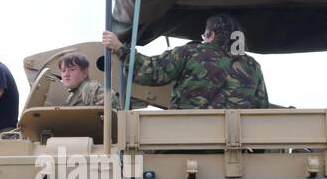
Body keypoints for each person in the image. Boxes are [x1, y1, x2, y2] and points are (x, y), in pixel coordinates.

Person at [101, 13, 269, 109]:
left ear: (211, 35)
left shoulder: (189, 53)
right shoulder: (253, 66)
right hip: (237, 144)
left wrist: (120, 48)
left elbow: (151, 72)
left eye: (205, 35)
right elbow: (262, 107)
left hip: (190, 139)